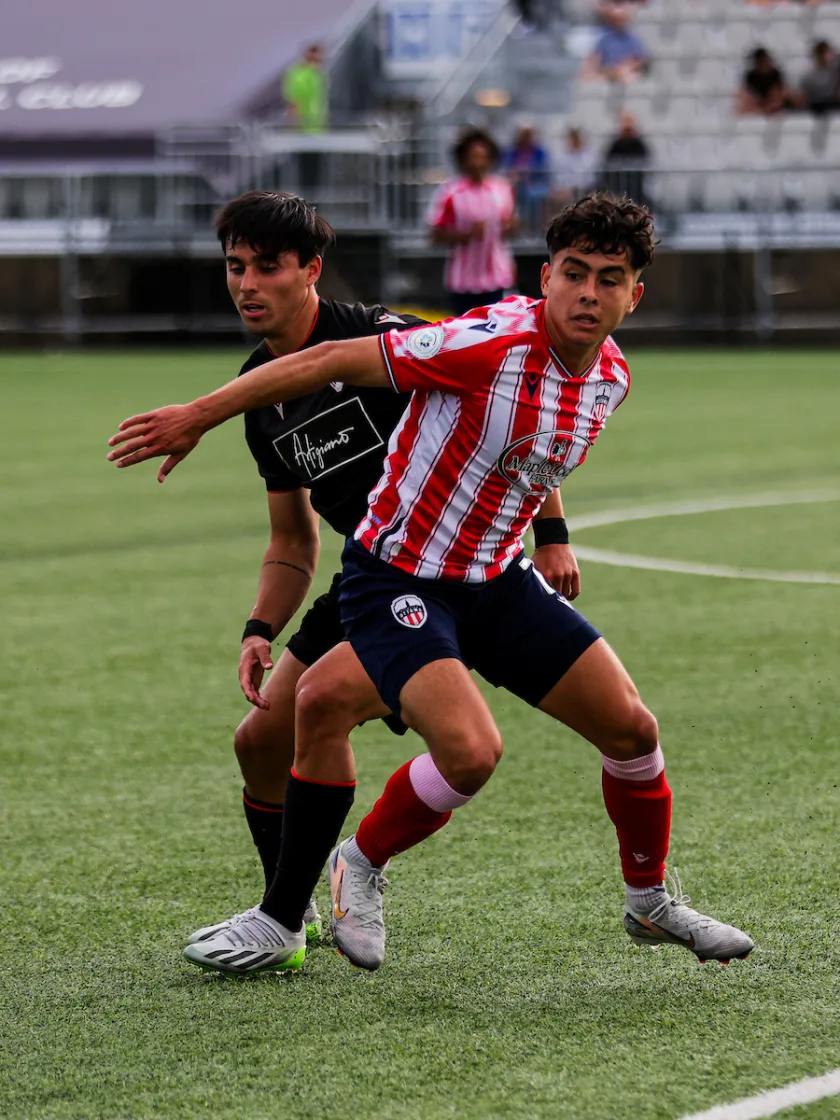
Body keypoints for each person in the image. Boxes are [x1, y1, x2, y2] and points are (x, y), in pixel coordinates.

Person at [108, 194, 755, 977]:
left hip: (493, 578)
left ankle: (649, 904)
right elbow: (315, 386)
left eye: (608, 279)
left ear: (633, 294)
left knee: (633, 731)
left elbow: (527, 446)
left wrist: (549, 536)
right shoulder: (481, 341)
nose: (588, 292)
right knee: (436, 747)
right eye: (573, 274)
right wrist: (200, 417)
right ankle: (328, 885)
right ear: (545, 277)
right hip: (396, 576)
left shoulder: (608, 378)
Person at [177, 190, 433, 952]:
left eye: (267, 267)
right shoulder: (258, 395)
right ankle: (289, 908)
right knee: (258, 742)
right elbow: (292, 540)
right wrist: (260, 628)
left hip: (441, 573)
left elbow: (500, 389)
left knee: (341, 715)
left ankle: (298, 911)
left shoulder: (386, 339)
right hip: (365, 575)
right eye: (234, 267)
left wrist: (550, 528)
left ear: (312, 269)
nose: (247, 284)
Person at [428, 127, 517, 317]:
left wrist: (510, 227)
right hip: (463, 281)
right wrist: (467, 234)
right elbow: (435, 234)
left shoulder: (502, 189)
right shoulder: (450, 193)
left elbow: (510, 225)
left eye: (483, 157)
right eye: (473, 157)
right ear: (463, 160)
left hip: (497, 278)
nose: (478, 163)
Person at [503, 124, 552, 235]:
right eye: (523, 135)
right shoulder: (511, 151)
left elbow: (542, 168)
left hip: (536, 184)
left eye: (528, 135)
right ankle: (517, 231)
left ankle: (535, 231)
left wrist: (527, 172)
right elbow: (505, 166)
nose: (525, 138)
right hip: (516, 185)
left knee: (535, 197)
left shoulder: (540, 151)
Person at [582, 6, 648, 83]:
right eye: (616, 20)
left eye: (621, 20)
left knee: (630, 77)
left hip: (625, 71)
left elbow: (638, 60)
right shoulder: (604, 39)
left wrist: (625, 66)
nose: (619, 23)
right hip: (607, 72)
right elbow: (596, 59)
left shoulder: (633, 39)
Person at [601, 112, 649, 207]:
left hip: (636, 187)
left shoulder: (640, 145)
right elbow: (609, 162)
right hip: (616, 186)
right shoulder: (615, 145)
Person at [738, 48, 800, 115]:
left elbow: (779, 92)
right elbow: (748, 94)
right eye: (762, 62)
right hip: (757, 104)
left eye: (766, 61)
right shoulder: (751, 76)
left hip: (774, 104)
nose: (765, 65)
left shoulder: (775, 74)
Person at [282, 44, 328, 134]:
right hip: (302, 128)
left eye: (320, 61)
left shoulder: (317, 76)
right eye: (317, 60)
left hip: (316, 128)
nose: (320, 64)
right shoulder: (298, 75)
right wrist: (294, 124)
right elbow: (292, 101)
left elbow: (318, 100)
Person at [551, 126, 597, 206]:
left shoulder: (590, 155)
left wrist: (581, 187)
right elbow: (559, 176)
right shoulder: (561, 156)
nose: (575, 140)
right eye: (572, 137)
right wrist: (565, 188)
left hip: (585, 190)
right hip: (566, 191)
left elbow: (591, 176)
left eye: (577, 137)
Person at [800, 40, 840, 115]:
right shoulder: (809, 75)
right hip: (817, 104)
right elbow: (805, 96)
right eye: (822, 54)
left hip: (833, 102)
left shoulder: (835, 72)